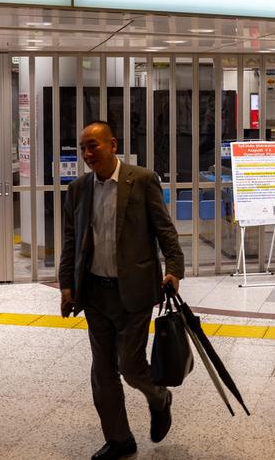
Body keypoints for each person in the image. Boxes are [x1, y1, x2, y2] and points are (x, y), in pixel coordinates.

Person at [59, 121, 185, 460]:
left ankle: (160, 398)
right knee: (102, 372)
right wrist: (67, 285)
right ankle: (119, 440)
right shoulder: (78, 190)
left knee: (130, 367)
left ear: (112, 144)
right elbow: (71, 242)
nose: (87, 154)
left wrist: (174, 270)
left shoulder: (141, 180)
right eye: (83, 147)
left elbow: (165, 230)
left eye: (93, 146)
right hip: (95, 294)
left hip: (135, 289)